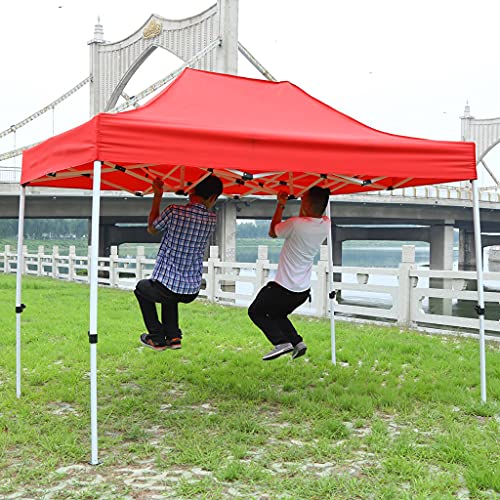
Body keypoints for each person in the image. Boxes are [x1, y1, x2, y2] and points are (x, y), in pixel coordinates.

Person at [135, 174, 223, 351]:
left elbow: (152, 228)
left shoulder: (174, 211)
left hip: (167, 286)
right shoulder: (211, 219)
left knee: (141, 288)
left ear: (192, 190)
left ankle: (157, 337)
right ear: (213, 198)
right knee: (170, 292)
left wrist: (158, 196)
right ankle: (174, 336)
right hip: (191, 290)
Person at [248, 186, 331, 361]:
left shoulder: (296, 224)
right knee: (277, 314)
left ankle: (281, 342)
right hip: (302, 292)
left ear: (307, 204)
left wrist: (281, 204)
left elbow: (273, 231)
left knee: (256, 311)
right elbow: (312, 215)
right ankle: (297, 342)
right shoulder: (326, 224)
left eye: (303, 199)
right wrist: (307, 203)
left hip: (283, 288)